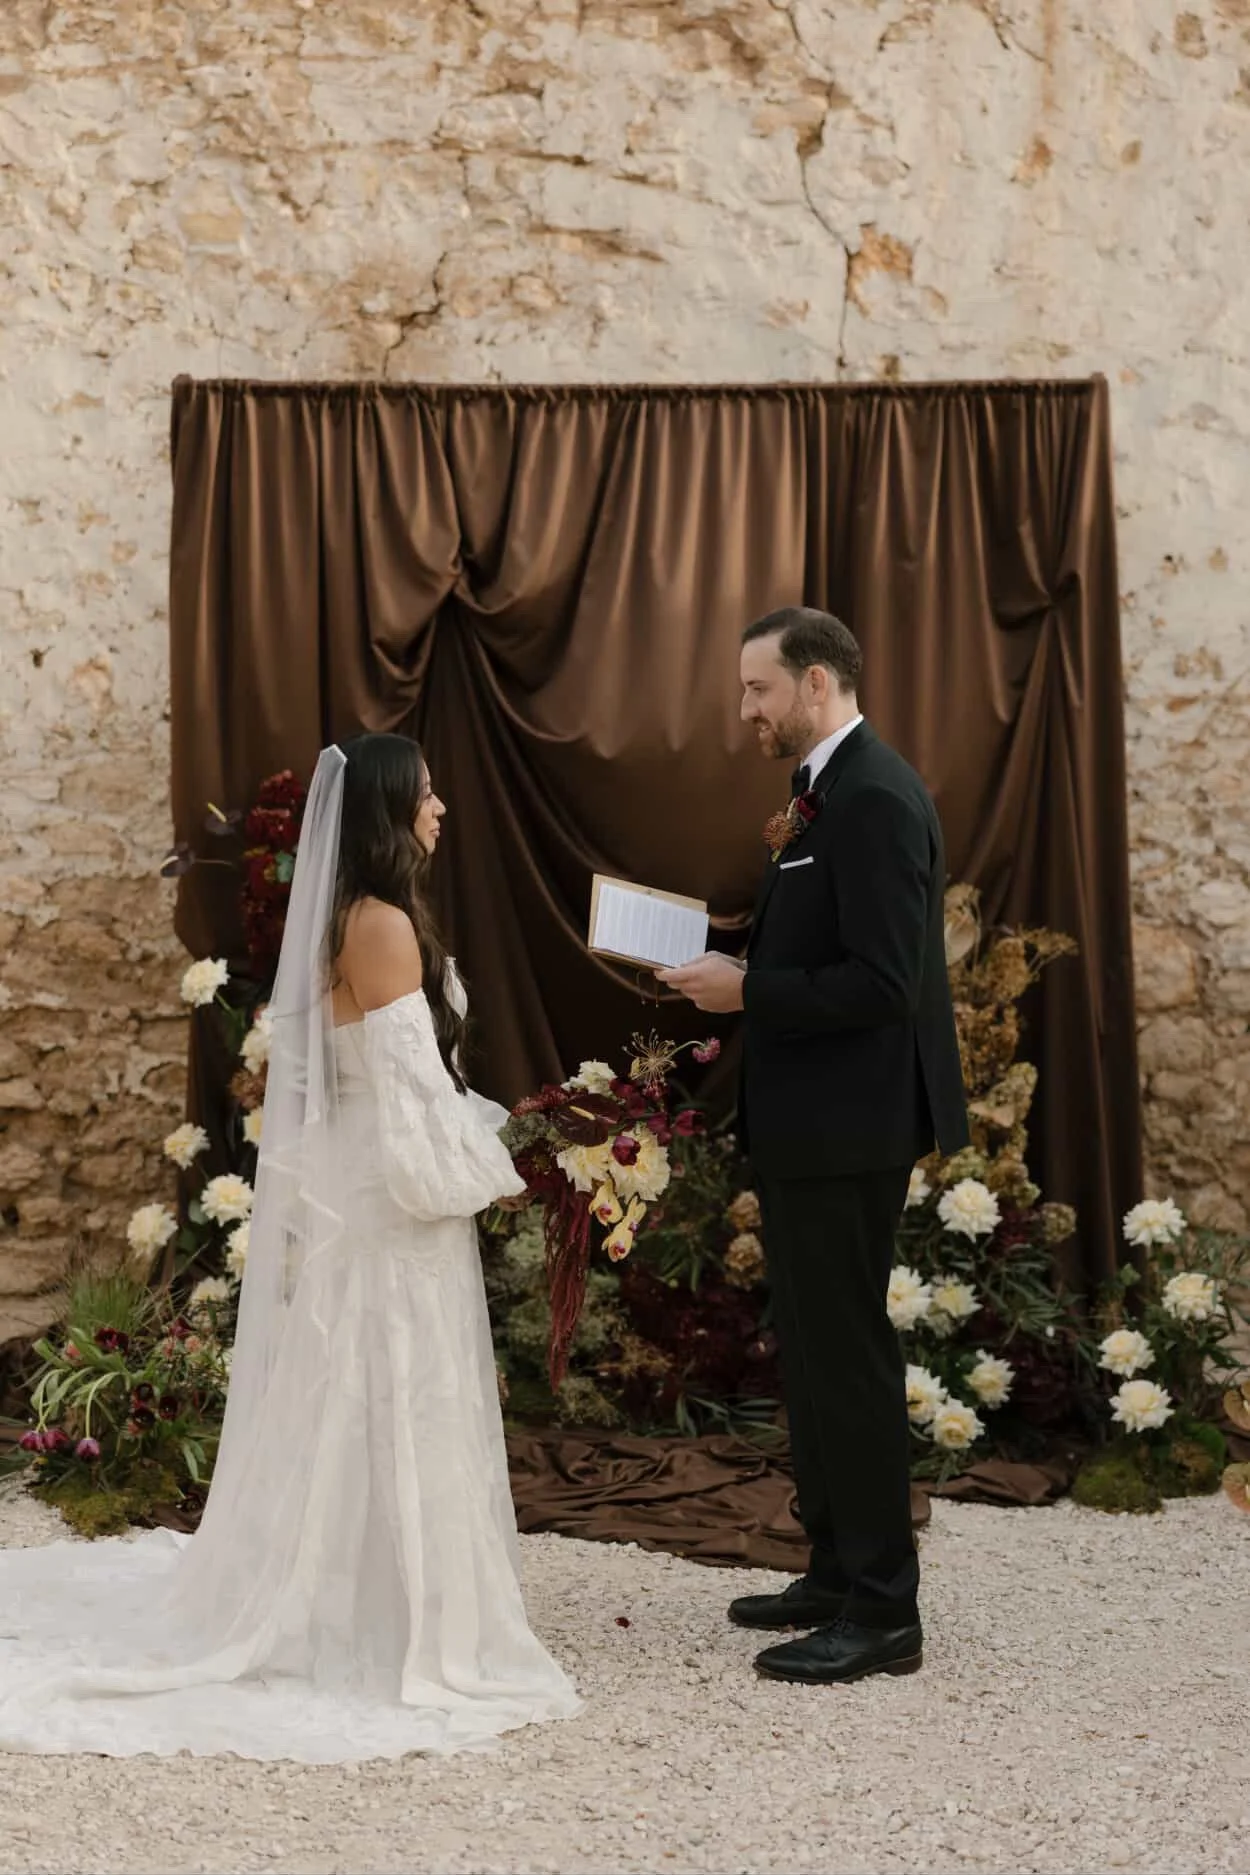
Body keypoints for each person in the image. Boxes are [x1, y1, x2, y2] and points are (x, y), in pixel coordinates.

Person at [0, 733, 578, 1761]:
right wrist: (495, 1169)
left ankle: (359, 1583)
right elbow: (411, 1099)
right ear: (390, 810)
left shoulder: (361, 917)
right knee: (391, 1379)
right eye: (427, 794)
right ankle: (382, 1614)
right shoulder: (382, 925)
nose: (441, 808)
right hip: (389, 1201)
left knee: (361, 1385)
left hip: (368, 1186)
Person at [658, 607, 968, 1686]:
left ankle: (883, 1611)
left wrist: (747, 989)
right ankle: (835, 1571)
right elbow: (824, 933)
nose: (745, 708)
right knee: (817, 1352)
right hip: (815, 1122)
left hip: (850, 1125)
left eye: (758, 689)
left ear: (817, 684)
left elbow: (882, 984)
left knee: (848, 1359)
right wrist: (729, 950)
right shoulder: (823, 791)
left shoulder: (874, 796)